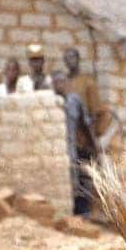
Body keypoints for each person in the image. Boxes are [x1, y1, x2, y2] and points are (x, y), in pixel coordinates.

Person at [51, 70, 97, 217]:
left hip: (71, 148)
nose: (60, 84)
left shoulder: (74, 100)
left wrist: (93, 145)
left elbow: (85, 123)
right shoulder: (49, 102)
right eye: (57, 82)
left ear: (67, 83)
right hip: (53, 150)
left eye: (63, 81)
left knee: (76, 180)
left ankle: (80, 214)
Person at [64, 47, 111, 143]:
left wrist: (92, 132)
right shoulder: (63, 83)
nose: (70, 61)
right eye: (67, 58)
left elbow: (95, 110)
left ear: (78, 59)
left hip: (84, 130)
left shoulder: (88, 82)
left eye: (72, 57)